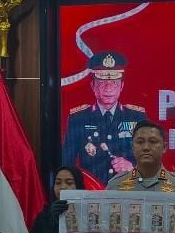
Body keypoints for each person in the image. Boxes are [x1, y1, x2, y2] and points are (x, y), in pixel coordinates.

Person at [61, 51, 147, 185]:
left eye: (114, 83)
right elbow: (67, 164)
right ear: (93, 86)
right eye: (102, 83)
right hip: (91, 191)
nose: (108, 89)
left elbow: (150, 163)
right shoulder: (78, 118)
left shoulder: (137, 117)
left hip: (127, 190)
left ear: (122, 86)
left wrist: (133, 169)